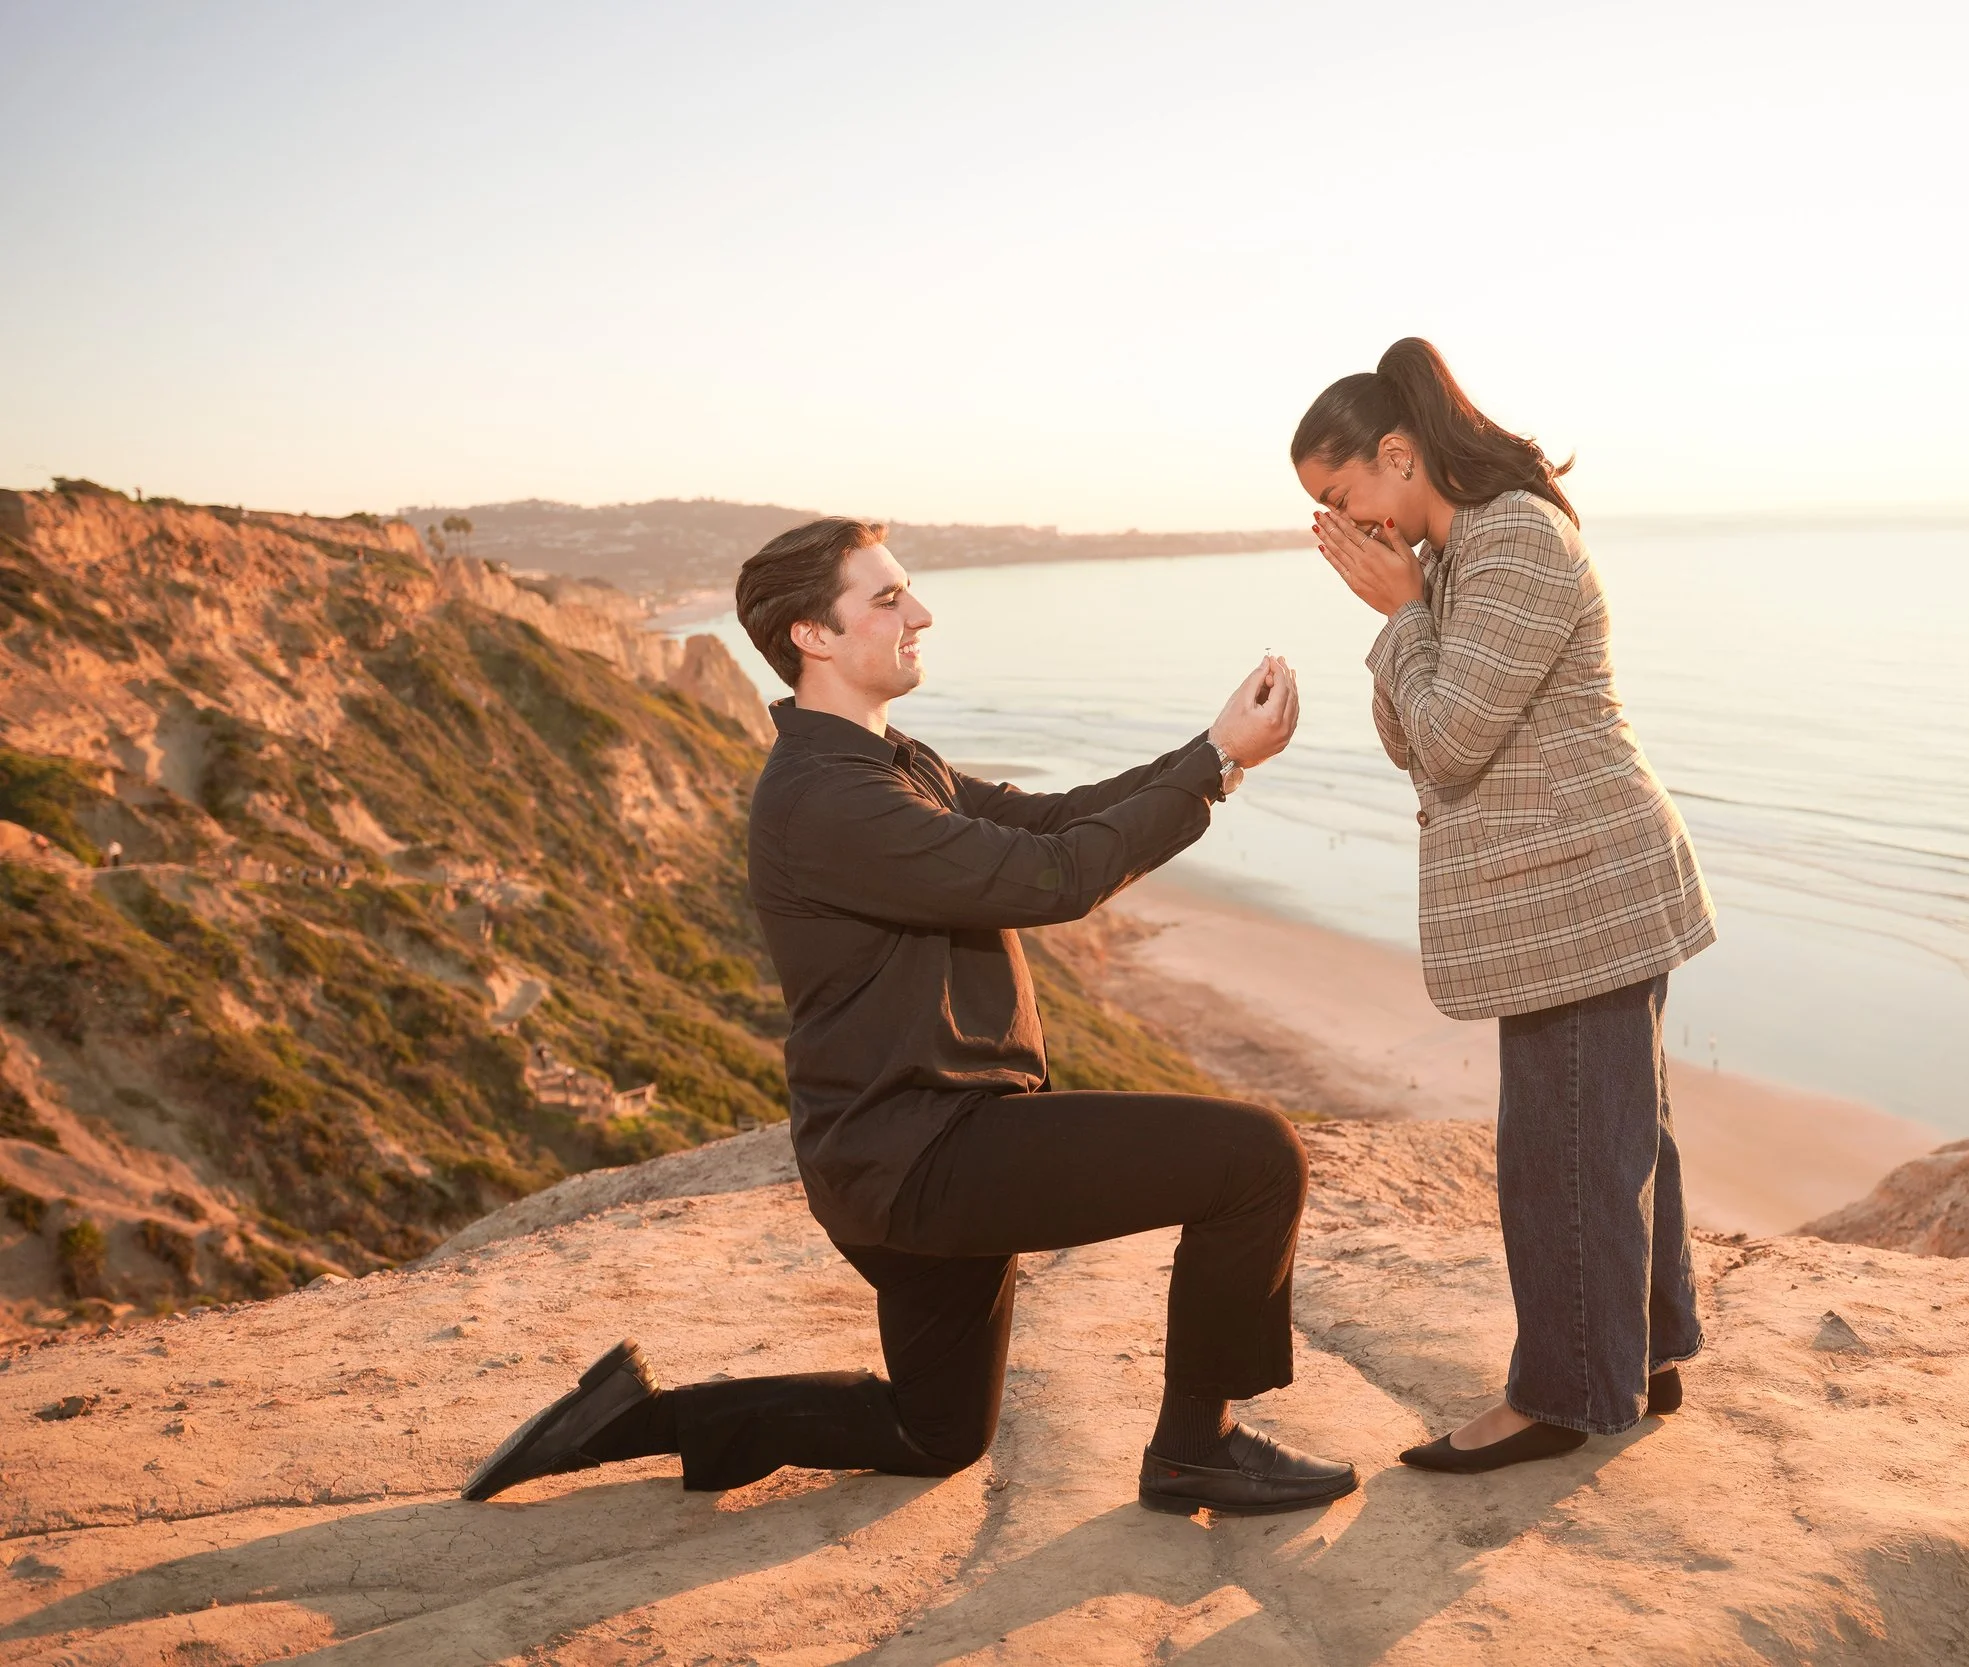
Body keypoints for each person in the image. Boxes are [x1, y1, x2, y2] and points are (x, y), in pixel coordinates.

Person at [465, 516, 1357, 1517]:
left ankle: (638, 1418)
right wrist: (1211, 766)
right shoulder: (824, 800)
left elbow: (1053, 820)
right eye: (886, 598)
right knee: (1254, 1158)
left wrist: (1214, 754)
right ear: (813, 635)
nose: (919, 611)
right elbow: (1051, 876)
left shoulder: (888, 764)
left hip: (908, 1154)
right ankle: (1199, 1449)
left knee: (935, 1434)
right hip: (927, 1156)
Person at [1294, 339, 1717, 1473]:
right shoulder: (1458, 554)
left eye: (1341, 499)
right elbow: (1414, 741)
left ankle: (1562, 1395)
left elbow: (1447, 738)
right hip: (1570, 886)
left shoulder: (1516, 536)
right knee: (1620, 1132)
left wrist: (1397, 615)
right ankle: (1647, 1351)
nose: (1337, 527)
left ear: (1396, 455)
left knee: (1564, 1151)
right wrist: (1406, 611)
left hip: (1578, 888)